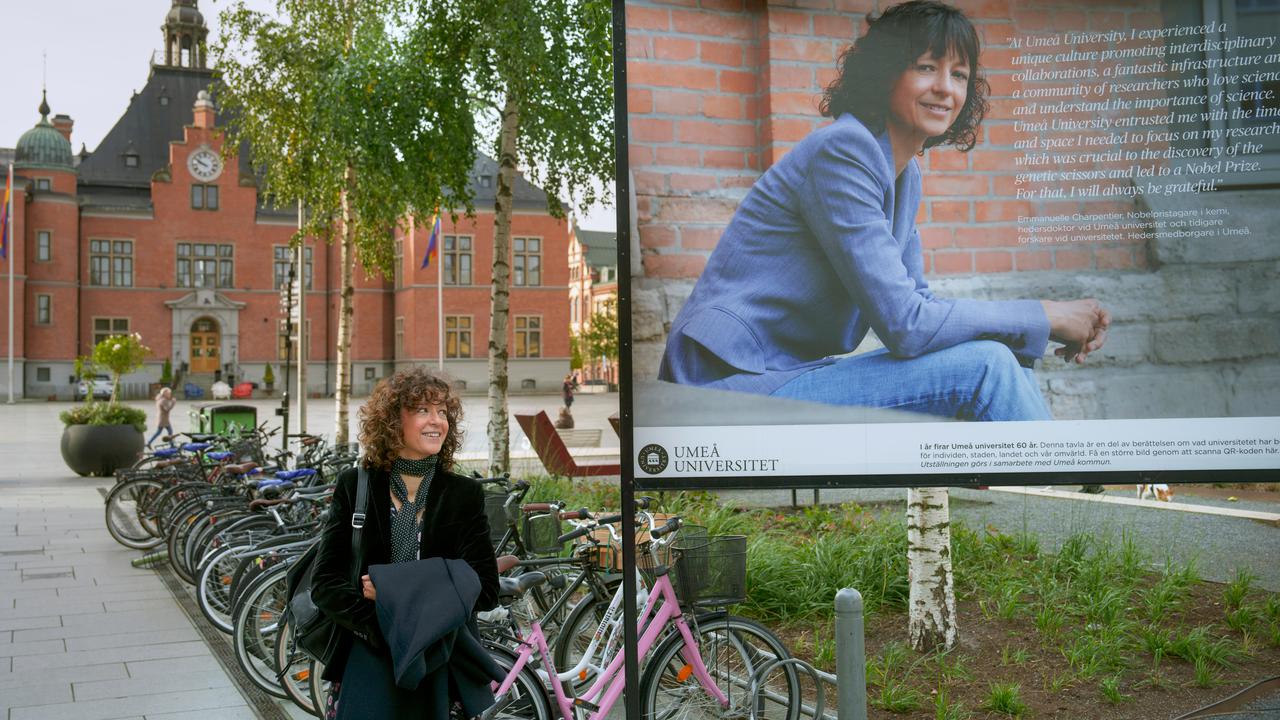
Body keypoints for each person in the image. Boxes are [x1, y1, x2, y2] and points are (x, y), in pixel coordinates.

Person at [658, 0, 1109, 422]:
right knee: (986, 365)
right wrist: (1045, 315)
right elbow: (907, 325)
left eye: (959, 74)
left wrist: (1033, 325)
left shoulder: (902, 172)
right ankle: (1063, 493)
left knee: (996, 354)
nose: (944, 88)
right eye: (926, 67)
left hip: (781, 377)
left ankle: (1062, 490)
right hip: (722, 392)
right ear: (886, 74)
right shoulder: (845, 150)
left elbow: (922, 309)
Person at [311, 367, 499, 719]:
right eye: (423, 410)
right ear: (392, 421)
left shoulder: (463, 494)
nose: (437, 421)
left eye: (443, 412)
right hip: (371, 658)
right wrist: (384, 629)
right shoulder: (357, 485)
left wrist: (396, 592)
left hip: (442, 661)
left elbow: (486, 588)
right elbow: (325, 584)